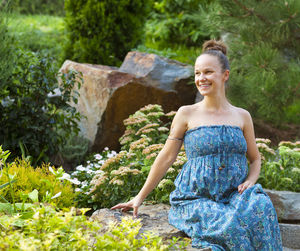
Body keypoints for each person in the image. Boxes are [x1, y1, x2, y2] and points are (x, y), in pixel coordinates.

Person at [111, 40, 283, 250]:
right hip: (196, 198)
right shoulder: (186, 114)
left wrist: (250, 181)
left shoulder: (242, 116)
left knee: (261, 206)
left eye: (208, 72)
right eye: (197, 73)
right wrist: (139, 197)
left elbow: (255, 159)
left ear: (225, 75)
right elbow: (166, 157)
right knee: (230, 226)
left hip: (235, 196)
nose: (201, 78)